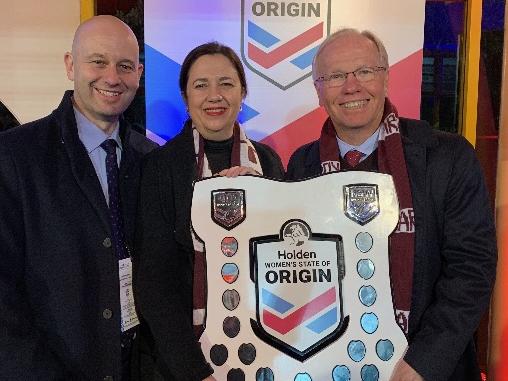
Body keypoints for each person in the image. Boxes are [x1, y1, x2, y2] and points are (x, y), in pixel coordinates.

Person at [286, 28, 497, 381]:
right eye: (335, 76)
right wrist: (246, 190)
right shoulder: (299, 166)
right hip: (329, 368)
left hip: (426, 369)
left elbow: (471, 270)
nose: (352, 86)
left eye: (365, 71)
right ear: (318, 91)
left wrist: (421, 365)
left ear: (385, 77)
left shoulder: (449, 157)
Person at [0, 15, 157, 380]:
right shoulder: (15, 156)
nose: (112, 77)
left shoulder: (151, 160)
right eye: (98, 61)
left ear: (139, 72)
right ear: (71, 66)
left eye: (124, 66)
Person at [134, 42, 285, 380]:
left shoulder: (268, 162)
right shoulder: (160, 168)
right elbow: (155, 282)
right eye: (201, 85)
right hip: (187, 360)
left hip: (265, 348)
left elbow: (285, 258)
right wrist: (195, 371)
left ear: (242, 92)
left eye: (226, 83)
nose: (214, 95)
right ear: (186, 98)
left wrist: (262, 199)